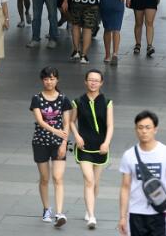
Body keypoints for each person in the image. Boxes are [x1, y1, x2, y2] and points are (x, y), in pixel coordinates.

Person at [117, 110, 166, 236]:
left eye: (148, 127)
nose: (144, 131)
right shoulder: (129, 155)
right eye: (140, 127)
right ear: (136, 130)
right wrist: (122, 217)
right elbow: (125, 187)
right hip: (135, 213)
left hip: (159, 212)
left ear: (155, 129)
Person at [70, 69, 114, 229]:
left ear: (101, 83)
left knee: (95, 182)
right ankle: (92, 216)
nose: (93, 83)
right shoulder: (78, 102)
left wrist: (106, 142)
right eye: (90, 80)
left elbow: (110, 125)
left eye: (96, 80)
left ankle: (89, 208)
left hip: (101, 147)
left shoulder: (107, 102)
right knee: (89, 180)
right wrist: (77, 136)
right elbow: (71, 122)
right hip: (84, 147)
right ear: (85, 82)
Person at [30, 67, 72, 227]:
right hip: (40, 142)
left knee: (58, 177)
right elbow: (40, 121)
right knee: (45, 178)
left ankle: (59, 213)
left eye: (52, 78)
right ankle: (46, 208)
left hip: (58, 144)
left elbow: (67, 123)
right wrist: (55, 130)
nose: (49, 81)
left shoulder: (63, 99)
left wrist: (63, 143)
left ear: (57, 80)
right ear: (43, 80)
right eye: (47, 79)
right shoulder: (36, 98)